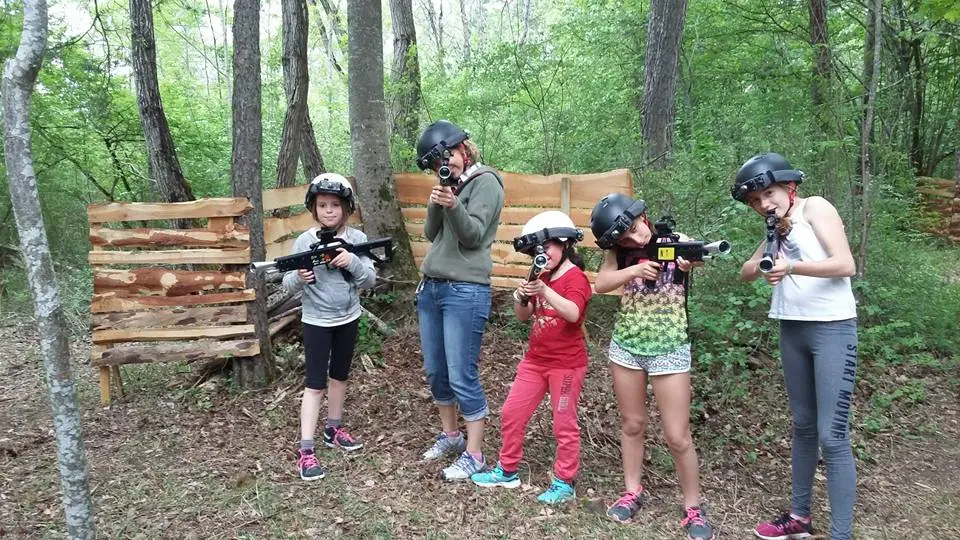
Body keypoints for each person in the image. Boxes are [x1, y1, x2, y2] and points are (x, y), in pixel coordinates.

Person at [732, 153, 858, 540]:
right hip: (793, 329)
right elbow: (744, 272)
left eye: (768, 193)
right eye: (755, 201)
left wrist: (792, 267)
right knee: (803, 427)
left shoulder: (815, 207)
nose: (763, 204)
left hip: (832, 328)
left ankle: (841, 534)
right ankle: (799, 517)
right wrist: (766, 261)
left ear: (789, 187)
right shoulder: (778, 226)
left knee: (832, 434)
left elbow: (845, 264)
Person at [590, 193, 716, 540]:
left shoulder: (676, 241)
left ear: (643, 216)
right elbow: (601, 285)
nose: (633, 239)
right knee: (632, 424)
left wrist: (691, 261)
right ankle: (632, 491)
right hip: (627, 347)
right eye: (624, 237)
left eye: (633, 229)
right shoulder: (617, 251)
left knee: (678, 436)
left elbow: (699, 255)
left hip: (670, 348)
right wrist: (633, 266)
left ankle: (693, 508)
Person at [470, 211, 592, 504]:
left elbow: (574, 314)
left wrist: (545, 290)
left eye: (548, 247)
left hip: (566, 365)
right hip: (536, 361)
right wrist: (522, 297)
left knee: (564, 423)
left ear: (564, 245)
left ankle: (564, 481)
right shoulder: (541, 277)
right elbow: (523, 318)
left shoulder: (576, 279)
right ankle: (507, 469)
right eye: (537, 251)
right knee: (512, 412)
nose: (543, 255)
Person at [414, 120, 505, 480]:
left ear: (464, 149)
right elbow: (430, 233)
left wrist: (453, 203)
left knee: (461, 373)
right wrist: (440, 198)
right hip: (432, 287)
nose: (444, 165)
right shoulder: (446, 182)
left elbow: (472, 236)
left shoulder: (487, 182)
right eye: (437, 164)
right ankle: (452, 436)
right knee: (437, 372)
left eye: (447, 156)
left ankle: (475, 452)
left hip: (465, 290)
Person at [283, 173, 377, 481]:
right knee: (315, 385)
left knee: (339, 378)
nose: (329, 211)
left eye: (335, 205)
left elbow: (370, 279)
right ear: (314, 208)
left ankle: (333, 428)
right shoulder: (305, 241)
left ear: (347, 208)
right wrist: (300, 277)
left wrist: (350, 260)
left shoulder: (359, 240)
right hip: (316, 322)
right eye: (322, 205)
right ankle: (306, 450)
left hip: (348, 318)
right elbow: (287, 284)